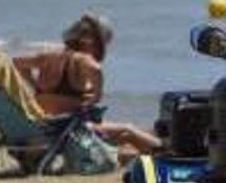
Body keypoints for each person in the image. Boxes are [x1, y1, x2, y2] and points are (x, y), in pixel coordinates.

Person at [13, 13, 161, 161]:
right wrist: (94, 95)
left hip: (46, 127)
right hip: (68, 131)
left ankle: (156, 151)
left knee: (127, 137)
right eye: (101, 44)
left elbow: (16, 62)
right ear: (90, 41)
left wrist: (34, 85)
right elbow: (96, 71)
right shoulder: (83, 59)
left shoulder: (47, 56)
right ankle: (169, 154)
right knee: (128, 130)